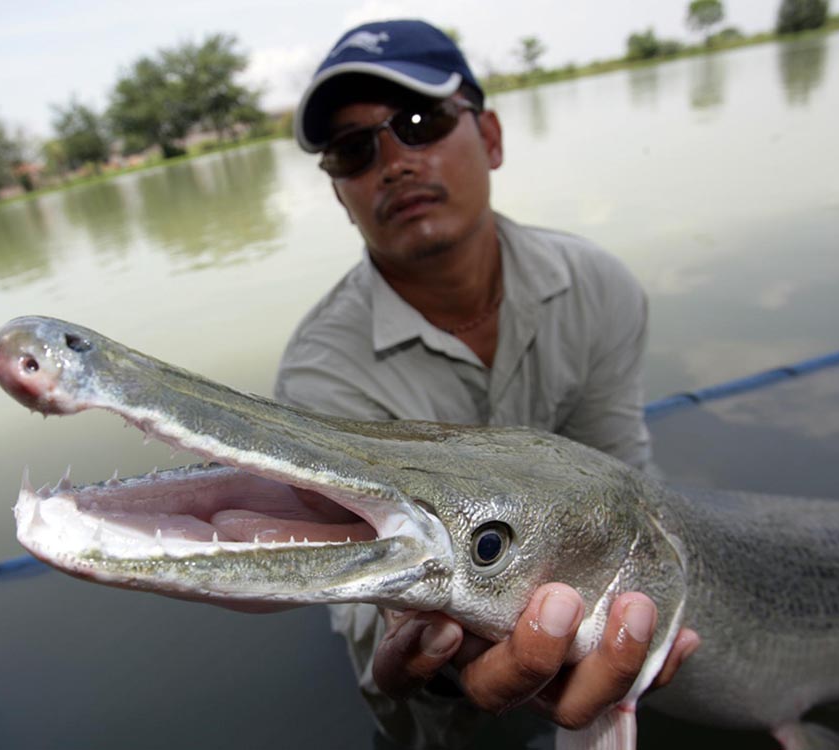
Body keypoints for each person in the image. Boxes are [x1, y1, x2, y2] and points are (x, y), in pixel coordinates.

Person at [274, 19, 698, 749]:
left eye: (421, 122)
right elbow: (358, 602)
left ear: (492, 137)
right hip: (443, 721)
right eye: (354, 149)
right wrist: (436, 659)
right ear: (341, 194)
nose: (395, 163)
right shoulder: (320, 374)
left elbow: (631, 488)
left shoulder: (599, 287)